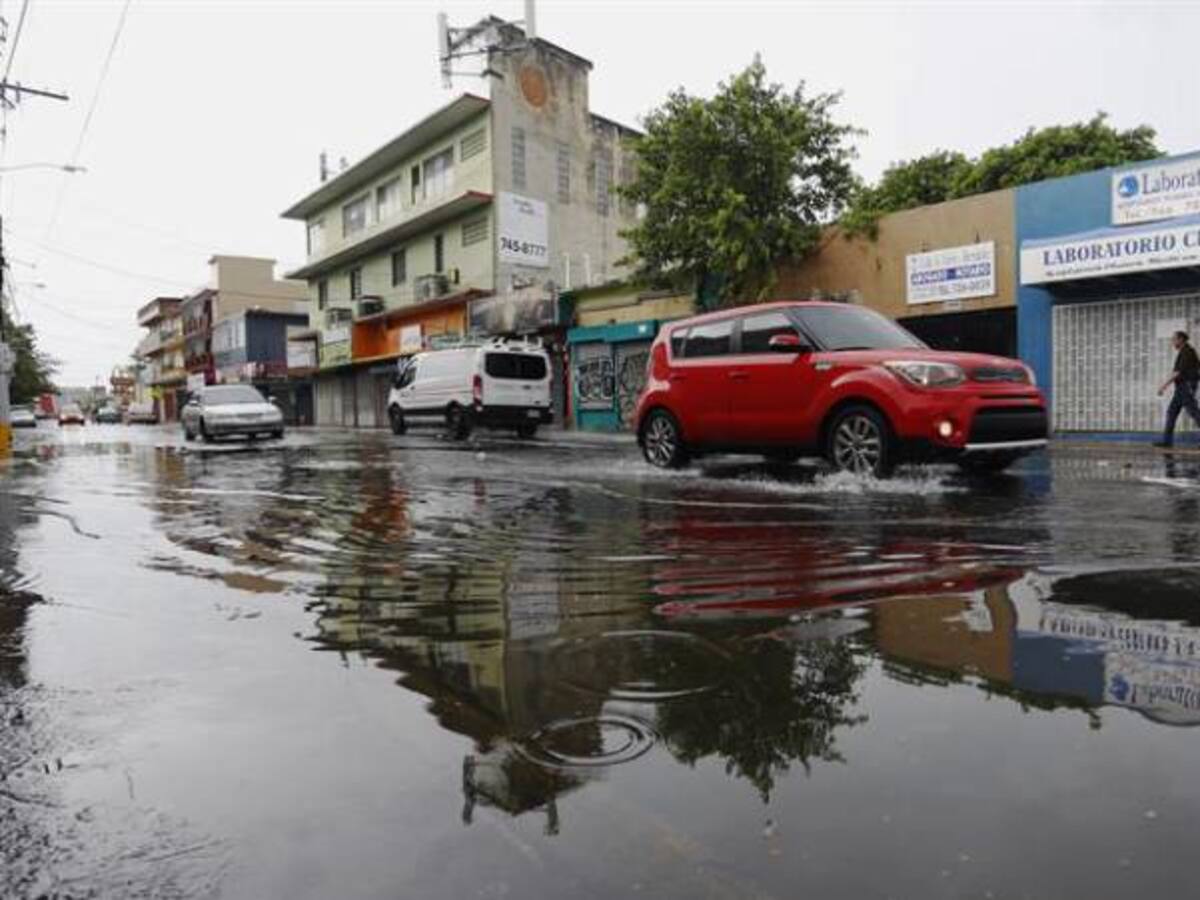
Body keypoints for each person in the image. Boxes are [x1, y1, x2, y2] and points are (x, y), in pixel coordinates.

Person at [1154, 330, 1200, 448]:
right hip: (1181, 388)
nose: (1173, 342)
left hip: (1186, 387)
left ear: (1181, 340)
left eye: (1174, 339)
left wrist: (1163, 386)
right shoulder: (1183, 352)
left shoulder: (1187, 352)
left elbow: (1177, 373)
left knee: (1195, 413)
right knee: (1171, 413)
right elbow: (1176, 372)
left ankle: (1167, 441)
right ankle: (1167, 442)